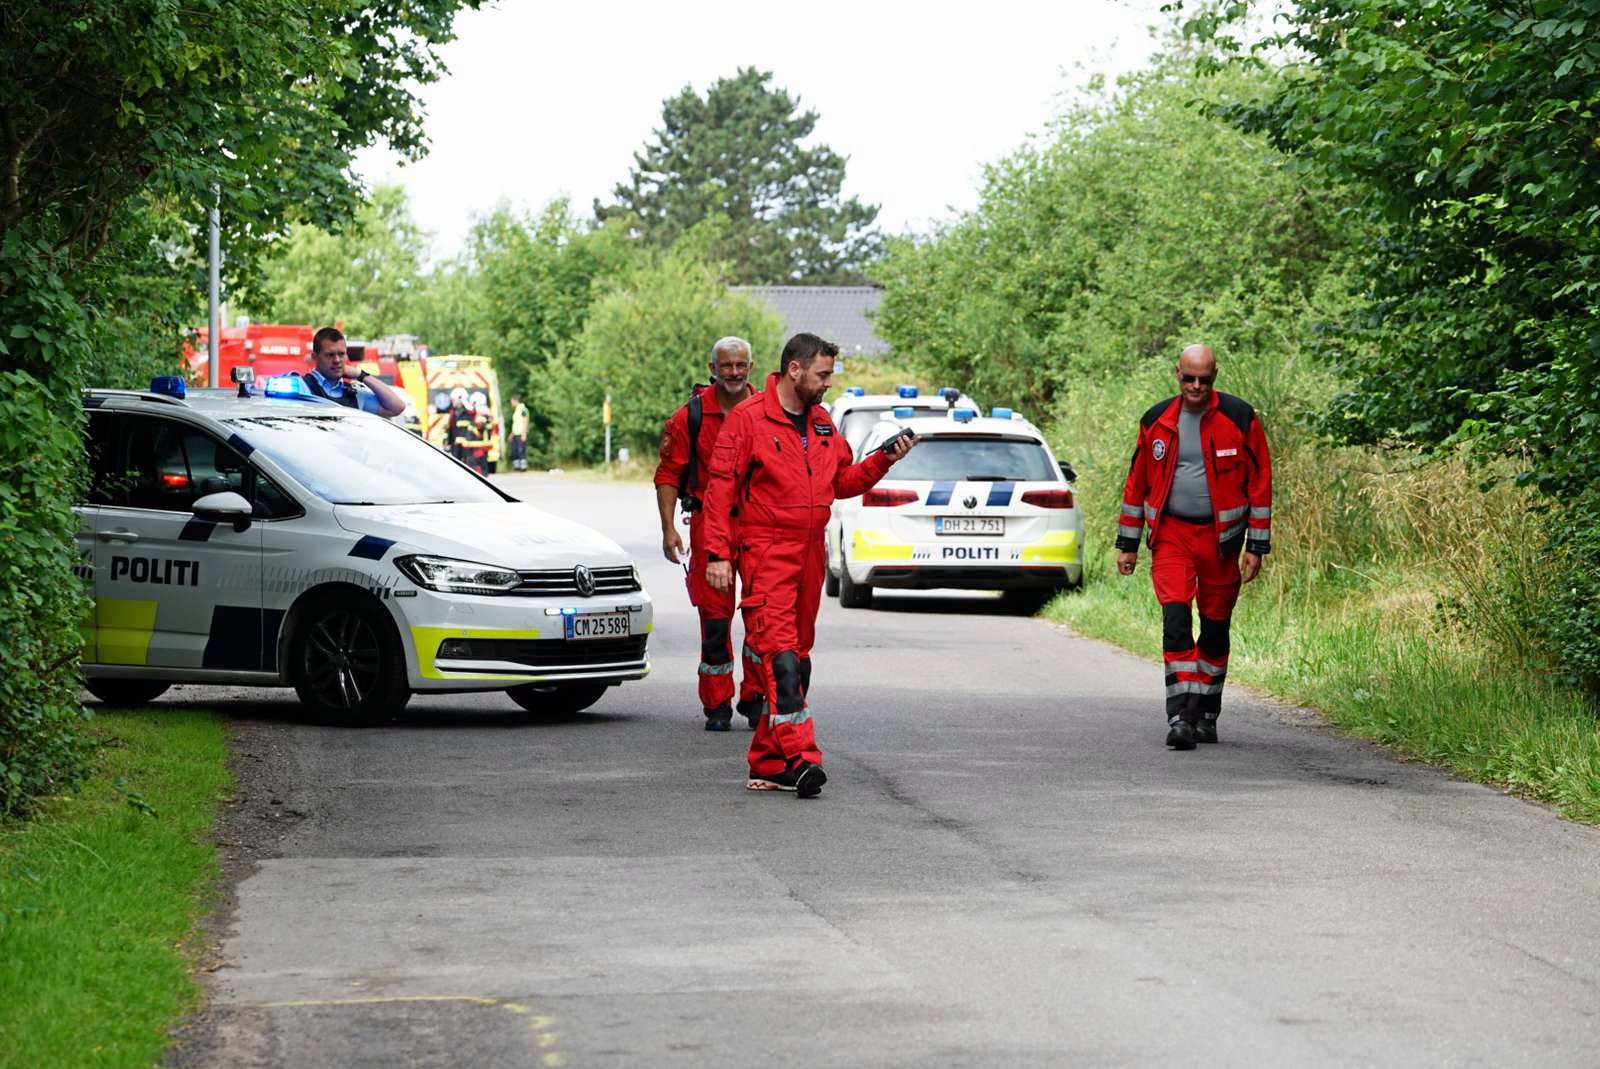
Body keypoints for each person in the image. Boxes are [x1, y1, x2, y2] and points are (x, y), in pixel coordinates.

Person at [702, 332, 917, 797]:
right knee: (781, 660)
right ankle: (801, 757)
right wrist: (718, 554)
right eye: (822, 375)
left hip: (809, 555)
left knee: (796, 662)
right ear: (794, 370)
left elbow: (842, 482)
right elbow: (718, 491)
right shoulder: (748, 419)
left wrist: (882, 460)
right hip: (765, 553)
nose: (827, 385)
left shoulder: (821, 424)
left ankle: (767, 761)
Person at [1115, 343, 1273, 750]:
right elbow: (1137, 484)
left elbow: (1260, 483)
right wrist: (1128, 542)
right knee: (1176, 620)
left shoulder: (1239, 418)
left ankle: (1206, 711)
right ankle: (1181, 715)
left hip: (1222, 542)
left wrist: (1256, 544)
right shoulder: (1156, 420)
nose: (1196, 386)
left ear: (1215, 376)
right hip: (1171, 537)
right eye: (1189, 378)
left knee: (1216, 627)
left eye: (1204, 379)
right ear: (1177, 375)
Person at [653, 337, 766, 732]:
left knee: (762, 618)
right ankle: (717, 704)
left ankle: (756, 699)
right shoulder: (691, 416)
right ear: (712, 368)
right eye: (726, 366)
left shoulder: (768, 411)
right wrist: (669, 530)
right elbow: (668, 475)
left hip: (758, 527)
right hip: (708, 525)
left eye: (741, 365)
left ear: (751, 367)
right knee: (715, 621)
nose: (734, 373)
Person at [301, 327, 406, 416]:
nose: (337, 360)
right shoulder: (301, 387)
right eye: (330, 355)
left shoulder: (354, 394)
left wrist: (361, 375)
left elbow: (397, 407)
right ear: (315, 357)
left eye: (341, 354)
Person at [508, 394, 530, 471]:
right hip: (516, 433)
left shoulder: (523, 409)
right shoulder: (517, 410)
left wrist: (524, 433)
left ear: (515, 401)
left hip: (521, 433)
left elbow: (525, 420)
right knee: (515, 451)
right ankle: (517, 467)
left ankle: (523, 467)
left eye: (511, 401)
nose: (511, 403)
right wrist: (511, 434)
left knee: (521, 450)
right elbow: (516, 423)